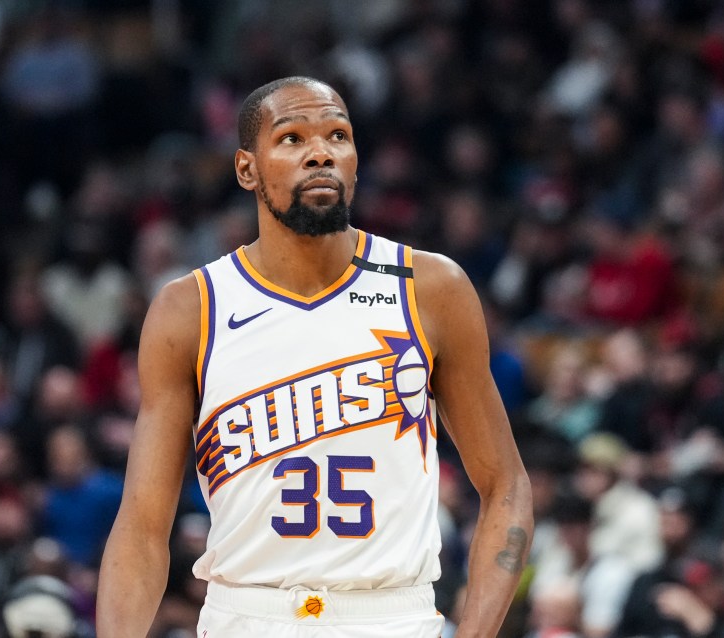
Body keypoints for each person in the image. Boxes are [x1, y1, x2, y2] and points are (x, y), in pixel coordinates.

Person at [97, 76, 533, 637]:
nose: (320, 152)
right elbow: (142, 526)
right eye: (292, 138)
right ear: (246, 169)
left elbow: (506, 486)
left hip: (392, 615)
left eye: (337, 135)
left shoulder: (429, 288)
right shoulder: (191, 308)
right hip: (246, 616)